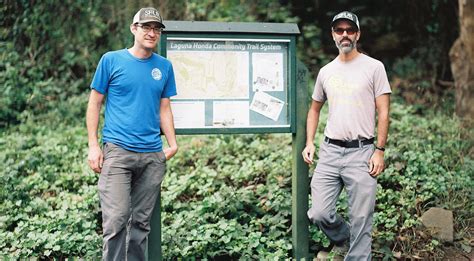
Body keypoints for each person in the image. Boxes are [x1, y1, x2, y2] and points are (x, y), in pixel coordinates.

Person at [86, 7, 178, 261]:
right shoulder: (111, 60)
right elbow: (94, 103)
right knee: (116, 220)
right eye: (146, 27)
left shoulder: (164, 67)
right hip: (117, 152)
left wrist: (172, 144)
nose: (152, 33)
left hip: (151, 155)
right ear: (133, 28)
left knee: (141, 223)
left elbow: (164, 106)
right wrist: (94, 146)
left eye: (156, 29)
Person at [302, 11, 391, 260]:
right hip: (330, 152)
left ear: (357, 34)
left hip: (362, 151)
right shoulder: (326, 71)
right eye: (339, 30)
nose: (344, 34)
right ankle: (342, 237)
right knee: (319, 212)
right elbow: (314, 109)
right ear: (333, 35)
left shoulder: (374, 67)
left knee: (362, 218)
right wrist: (310, 142)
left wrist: (380, 150)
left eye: (349, 30)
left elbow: (383, 112)